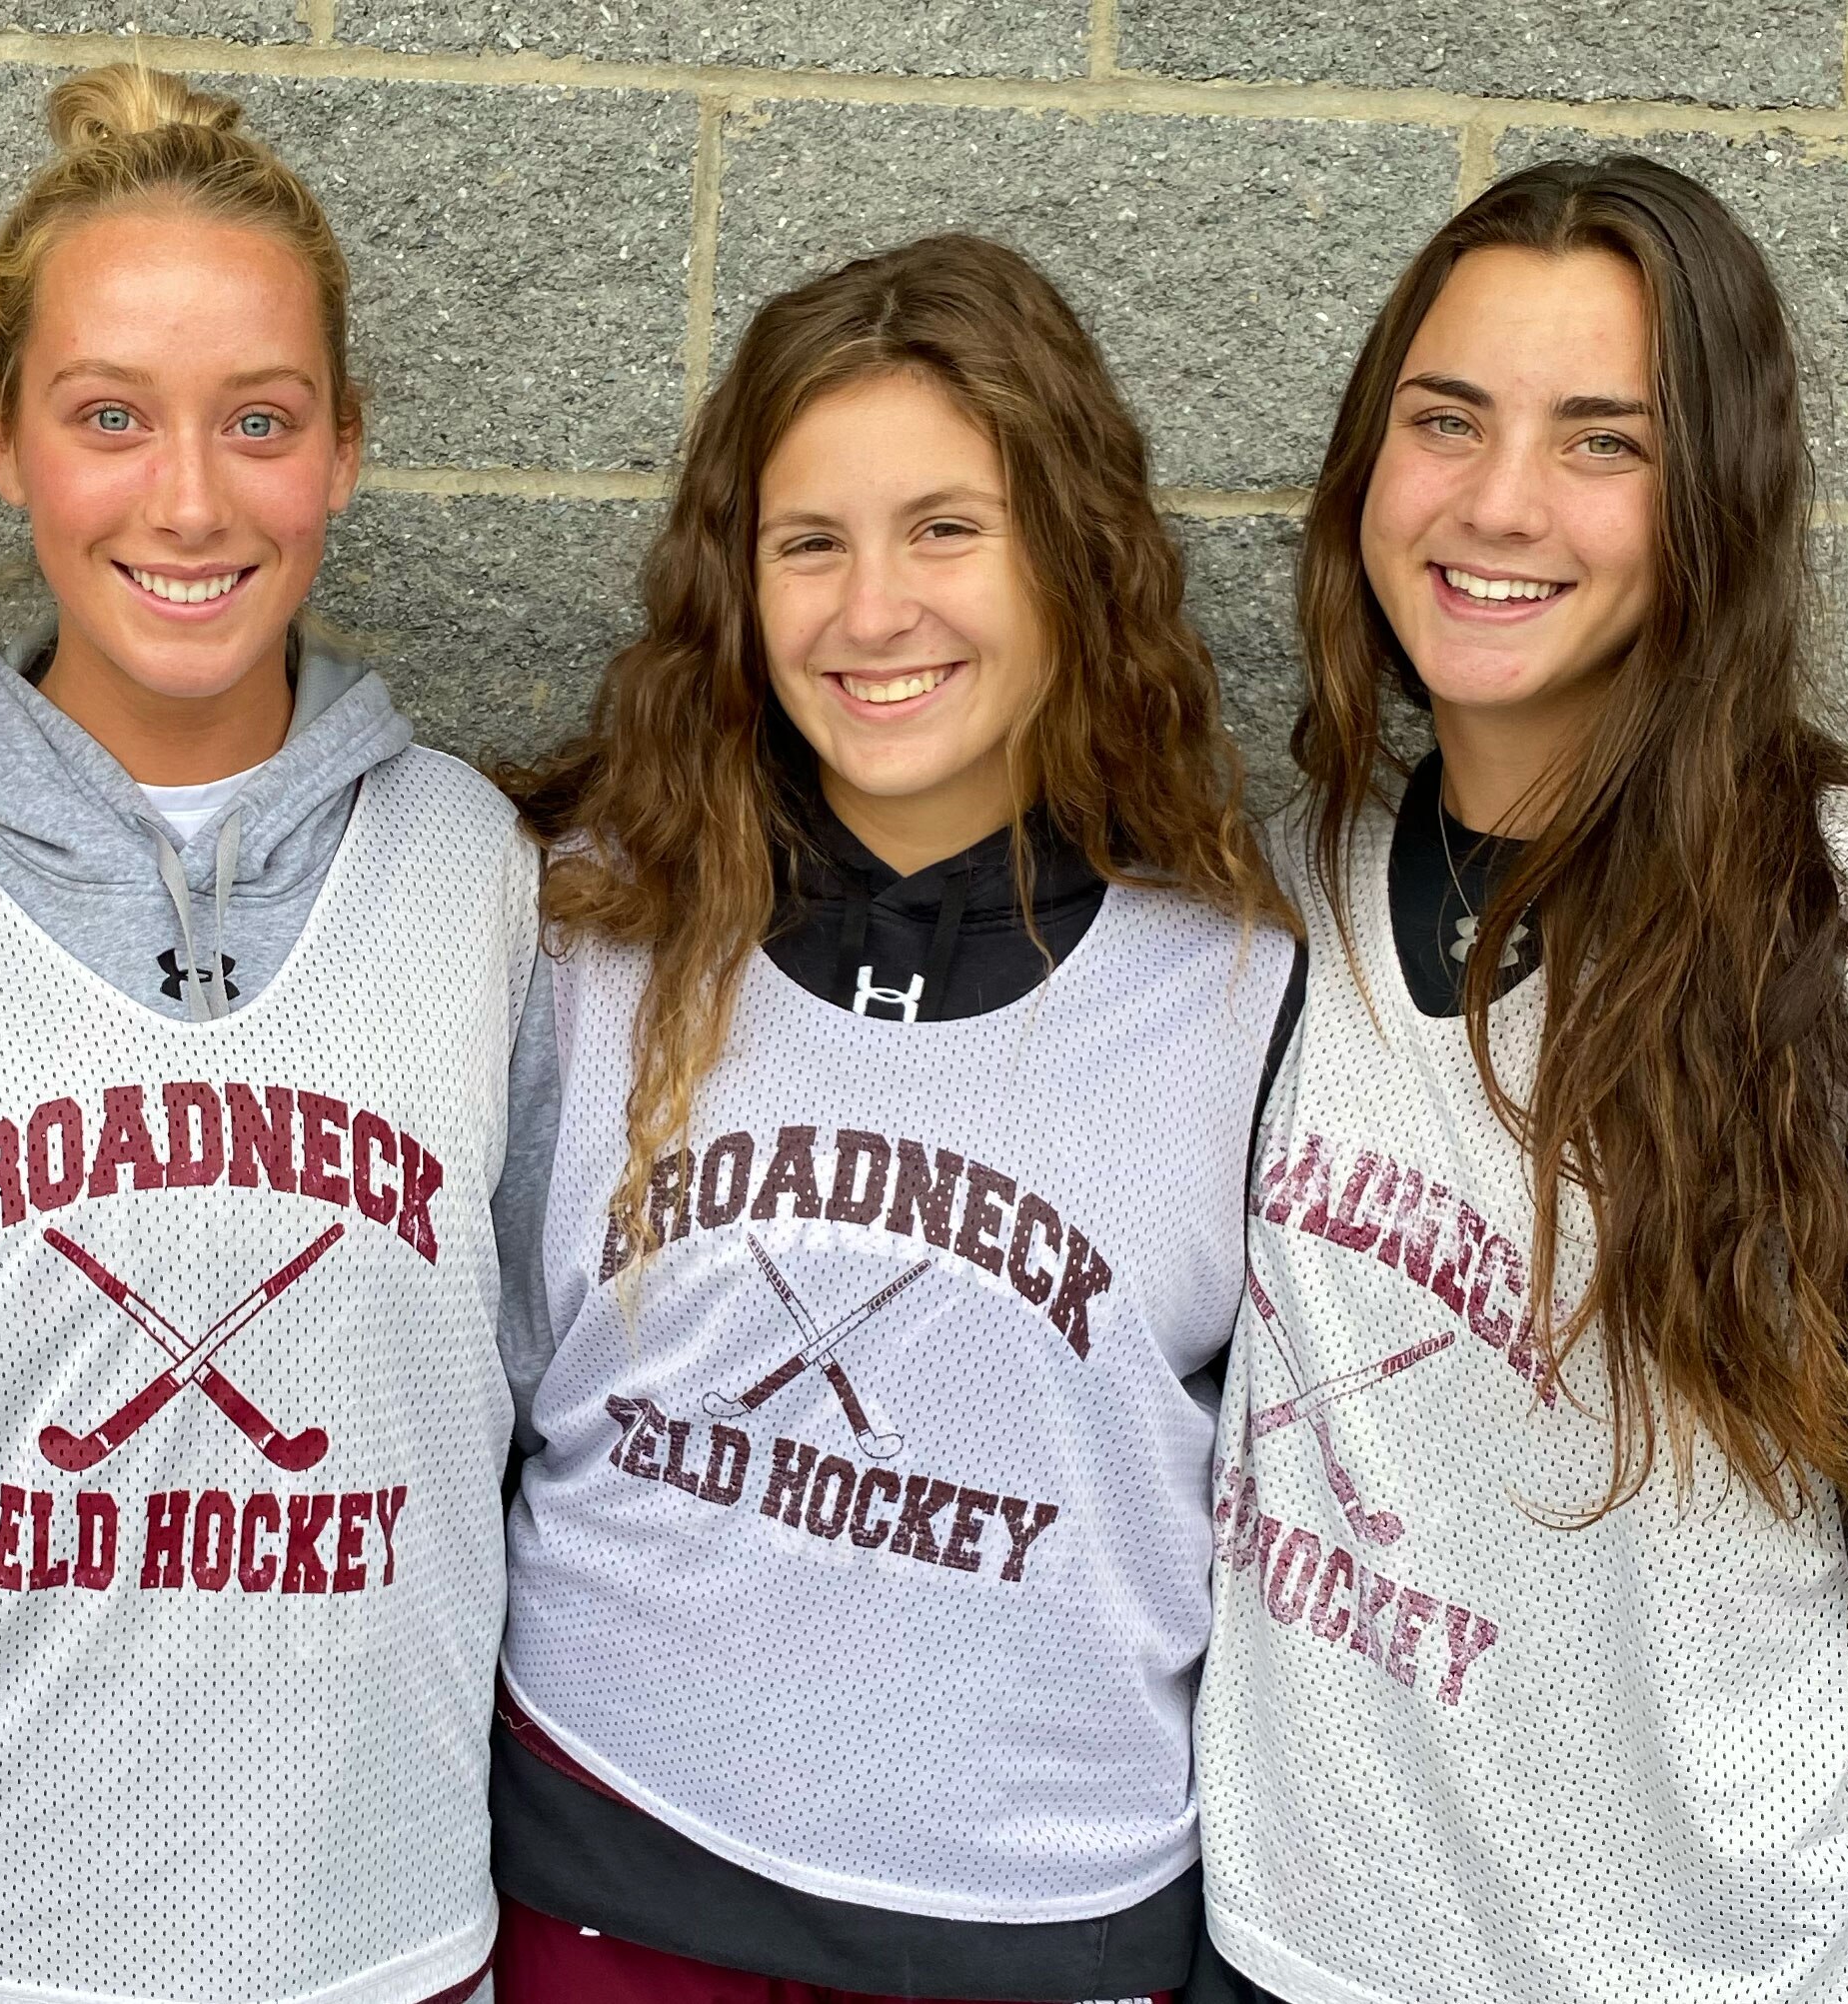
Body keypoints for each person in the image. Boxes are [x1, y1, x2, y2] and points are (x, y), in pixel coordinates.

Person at [0, 63, 549, 2004]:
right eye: (110, 418)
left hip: (373, 1940)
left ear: (345, 448)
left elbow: (516, 1390)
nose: (189, 499)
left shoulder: (471, 867)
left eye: (259, 421)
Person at [488, 234, 1300, 2004]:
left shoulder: (1242, 989)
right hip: (606, 1881)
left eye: (948, 527)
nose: (875, 612)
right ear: (737, 577)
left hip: (1042, 1925)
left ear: (1069, 556)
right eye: (810, 543)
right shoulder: (574, 929)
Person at [1192, 156, 1848, 2004]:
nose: (1499, 502)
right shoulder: (1286, 892)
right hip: (1296, 1950)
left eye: (1608, 441)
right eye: (1447, 420)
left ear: (1720, 504)